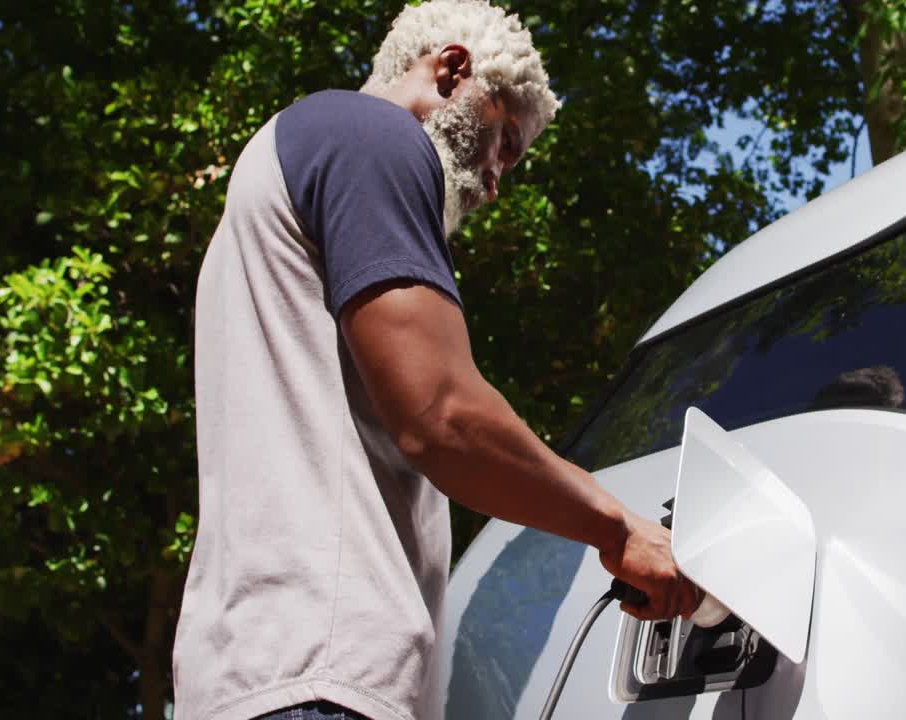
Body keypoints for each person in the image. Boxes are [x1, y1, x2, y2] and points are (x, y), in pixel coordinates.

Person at [171, 2, 701, 719]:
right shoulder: (370, 136)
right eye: (505, 142)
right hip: (316, 677)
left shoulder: (284, 169)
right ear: (452, 71)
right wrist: (622, 529)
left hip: (253, 670)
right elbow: (444, 417)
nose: (495, 181)